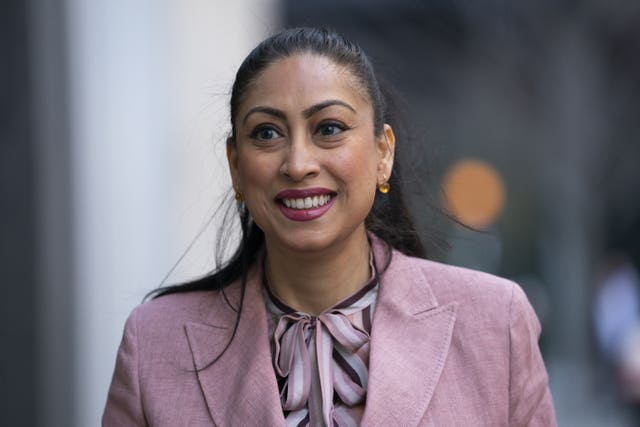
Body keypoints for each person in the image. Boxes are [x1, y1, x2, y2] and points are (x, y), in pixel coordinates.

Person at [103, 27, 556, 426]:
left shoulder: (496, 323)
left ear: (383, 153)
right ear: (236, 166)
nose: (298, 164)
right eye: (266, 133)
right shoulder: (154, 343)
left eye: (330, 128)